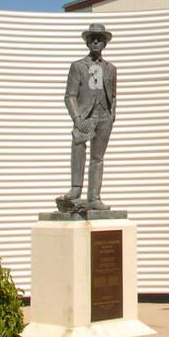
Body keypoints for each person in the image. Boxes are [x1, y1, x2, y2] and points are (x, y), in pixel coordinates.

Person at [57, 22, 117, 212]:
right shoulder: (77, 66)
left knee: (97, 157)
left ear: (104, 44)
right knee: (78, 150)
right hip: (85, 115)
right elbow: (70, 96)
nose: (96, 42)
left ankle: (94, 197)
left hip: (103, 117)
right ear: (87, 43)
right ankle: (76, 189)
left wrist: (111, 115)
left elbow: (113, 95)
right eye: (92, 39)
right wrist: (77, 118)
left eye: (99, 39)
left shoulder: (111, 68)